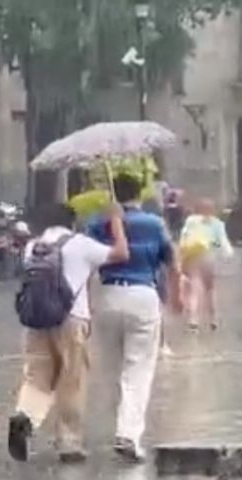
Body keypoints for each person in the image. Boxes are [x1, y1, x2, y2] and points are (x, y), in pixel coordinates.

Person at [8, 203, 129, 464]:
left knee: (37, 376)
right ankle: (69, 443)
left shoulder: (33, 247)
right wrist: (116, 222)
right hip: (71, 320)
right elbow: (121, 254)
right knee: (71, 380)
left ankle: (25, 416)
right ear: (72, 222)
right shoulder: (81, 244)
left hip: (36, 321)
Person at [88, 173, 182, 463]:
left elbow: (87, 261)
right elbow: (172, 262)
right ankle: (127, 433)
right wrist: (176, 297)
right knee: (138, 370)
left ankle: (115, 426)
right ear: (139, 195)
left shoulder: (97, 224)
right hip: (143, 295)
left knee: (112, 369)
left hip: (106, 296)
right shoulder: (154, 224)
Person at [178, 198, 234, 330]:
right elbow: (223, 243)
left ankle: (193, 319)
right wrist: (227, 255)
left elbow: (184, 238)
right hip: (210, 256)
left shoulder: (191, 221)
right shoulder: (217, 224)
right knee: (210, 289)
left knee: (194, 287)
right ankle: (213, 319)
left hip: (194, 256)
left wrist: (181, 257)